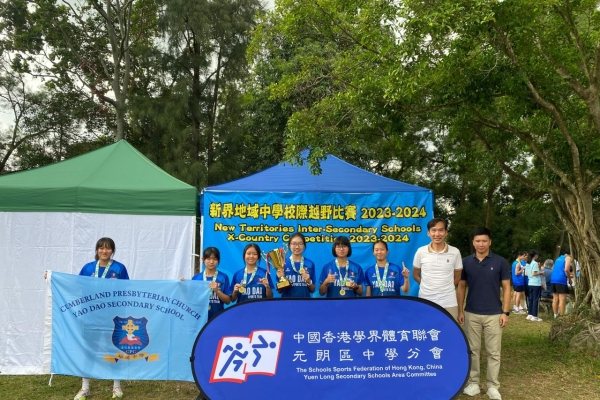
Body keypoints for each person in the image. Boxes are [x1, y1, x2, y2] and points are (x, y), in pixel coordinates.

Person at [458, 227, 511, 400]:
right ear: (473, 242)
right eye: (478, 241)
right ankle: (473, 383)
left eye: (484, 241)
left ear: (490, 242)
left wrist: (505, 312)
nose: (481, 244)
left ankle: (492, 386)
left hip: (494, 313)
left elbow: (507, 288)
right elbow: (461, 287)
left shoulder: (500, 262)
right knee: (472, 350)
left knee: (493, 352)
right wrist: (460, 310)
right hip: (471, 312)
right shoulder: (465, 262)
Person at [76, 237, 129, 400]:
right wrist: (52, 278)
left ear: (112, 250)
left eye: (108, 248)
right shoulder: (88, 268)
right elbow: (73, 284)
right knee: (88, 350)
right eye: (101, 248)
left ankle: (117, 386)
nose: (104, 251)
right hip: (91, 316)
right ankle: (84, 387)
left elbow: (127, 289)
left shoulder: (119, 268)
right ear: (97, 250)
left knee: (113, 349)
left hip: (112, 316)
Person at [412, 218, 463, 320]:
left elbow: (457, 277)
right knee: (426, 328)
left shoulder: (455, 252)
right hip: (426, 299)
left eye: (441, 230)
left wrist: (445, 288)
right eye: (434, 230)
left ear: (446, 232)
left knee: (448, 328)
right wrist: (426, 285)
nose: (437, 234)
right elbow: (415, 274)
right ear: (428, 233)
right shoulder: (421, 251)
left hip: (449, 302)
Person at [191, 247, 231, 319]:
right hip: (200, 318)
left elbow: (228, 301)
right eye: (208, 259)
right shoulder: (196, 278)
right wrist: (182, 283)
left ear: (218, 261)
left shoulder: (223, 277)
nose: (211, 262)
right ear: (203, 259)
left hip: (218, 317)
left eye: (215, 259)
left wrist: (217, 291)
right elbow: (190, 299)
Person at [277, 233, 316, 298]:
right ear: (289, 245)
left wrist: (308, 281)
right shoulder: (283, 264)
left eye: (300, 244)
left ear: (304, 246)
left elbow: (312, 290)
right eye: (294, 244)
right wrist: (281, 278)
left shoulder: (310, 264)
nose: (297, 247)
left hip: (305, 302)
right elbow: (279, 291)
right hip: (287, 302)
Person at [551, 248, 572, 318]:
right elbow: (566, 269)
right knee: (562, 299)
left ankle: (555, 315)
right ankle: (562, 316)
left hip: (553, 279)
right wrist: (570, 279)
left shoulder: (558, 258)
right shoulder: (568, 258)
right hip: (561, 279)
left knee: (555, 298)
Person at [525, 250, 544, 322]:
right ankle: (535, 316)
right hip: (536, 283)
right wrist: (540, 273)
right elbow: (534, 273)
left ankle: (530, 314)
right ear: (535, 255)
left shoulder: (528, 263)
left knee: (531, 299)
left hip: (530, 283)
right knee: (536, 299)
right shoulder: (535, 263)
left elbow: (526, 274)